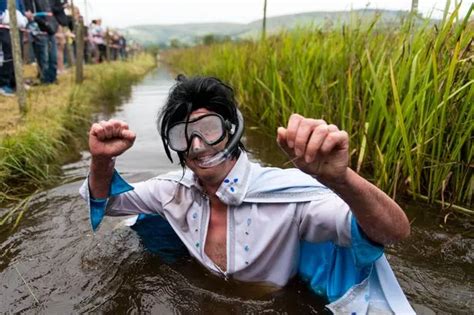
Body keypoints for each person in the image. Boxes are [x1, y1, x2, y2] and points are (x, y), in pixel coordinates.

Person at [80, 75, 415, 313]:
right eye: (183, 136)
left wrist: (342, 180)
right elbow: (107, 202)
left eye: (209, 129)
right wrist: (101, 159)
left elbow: (392, 232)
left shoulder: (290, 199)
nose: (198, 146)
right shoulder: (172, 192)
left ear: (231, 130)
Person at [24, 0, 58, 84]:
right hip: (39, 30)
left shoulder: (48, 2)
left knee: (53, 56)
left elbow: (53, 11)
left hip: (50, 29)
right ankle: (45, 79)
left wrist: (54, 25)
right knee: (43, 57)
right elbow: (29, 13)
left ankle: (52, 78)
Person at [0, 0, 27, 96]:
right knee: (8, 55)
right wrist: (2, 15)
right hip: (3, 27)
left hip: (17, 26)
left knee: (18, 55)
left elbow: (21, 6)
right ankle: (3, 84)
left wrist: (23, 18)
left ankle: (15, 82)